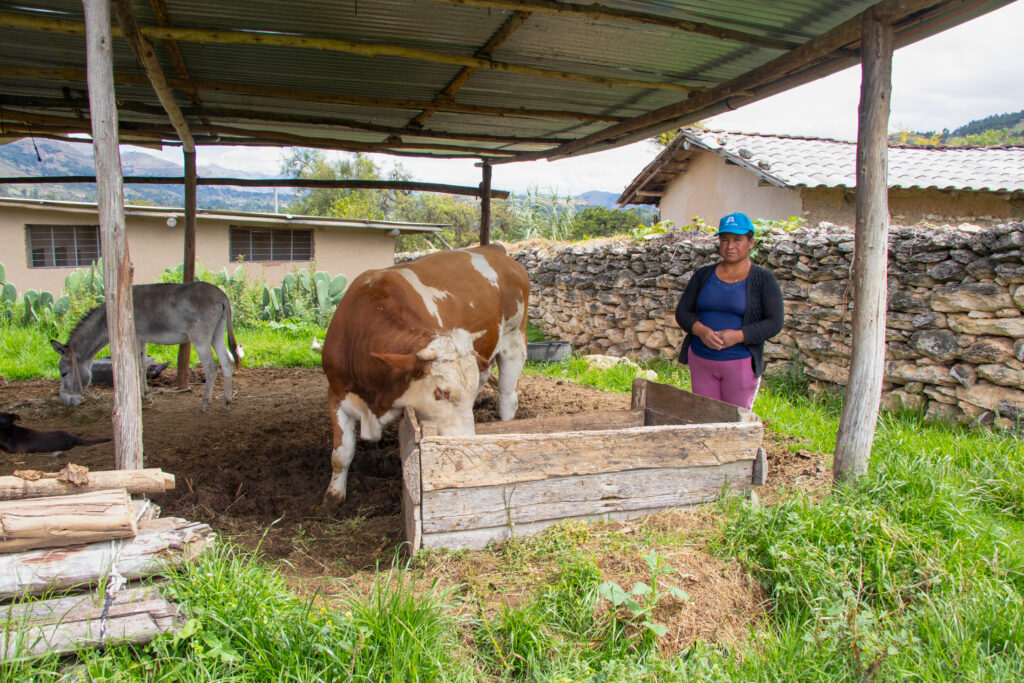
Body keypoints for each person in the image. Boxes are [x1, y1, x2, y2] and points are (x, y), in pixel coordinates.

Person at [674, 212, 784, 409]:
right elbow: (683, 312)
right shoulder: (704, 275)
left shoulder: (764, 280)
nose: (730, 246)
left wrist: (740, 335)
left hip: (739, 363)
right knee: (705, 418)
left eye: (737, 239)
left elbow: (774, 322)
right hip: (701, 360)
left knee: (736, 421)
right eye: (724, 240)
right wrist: (701, 331)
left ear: (750, 242)